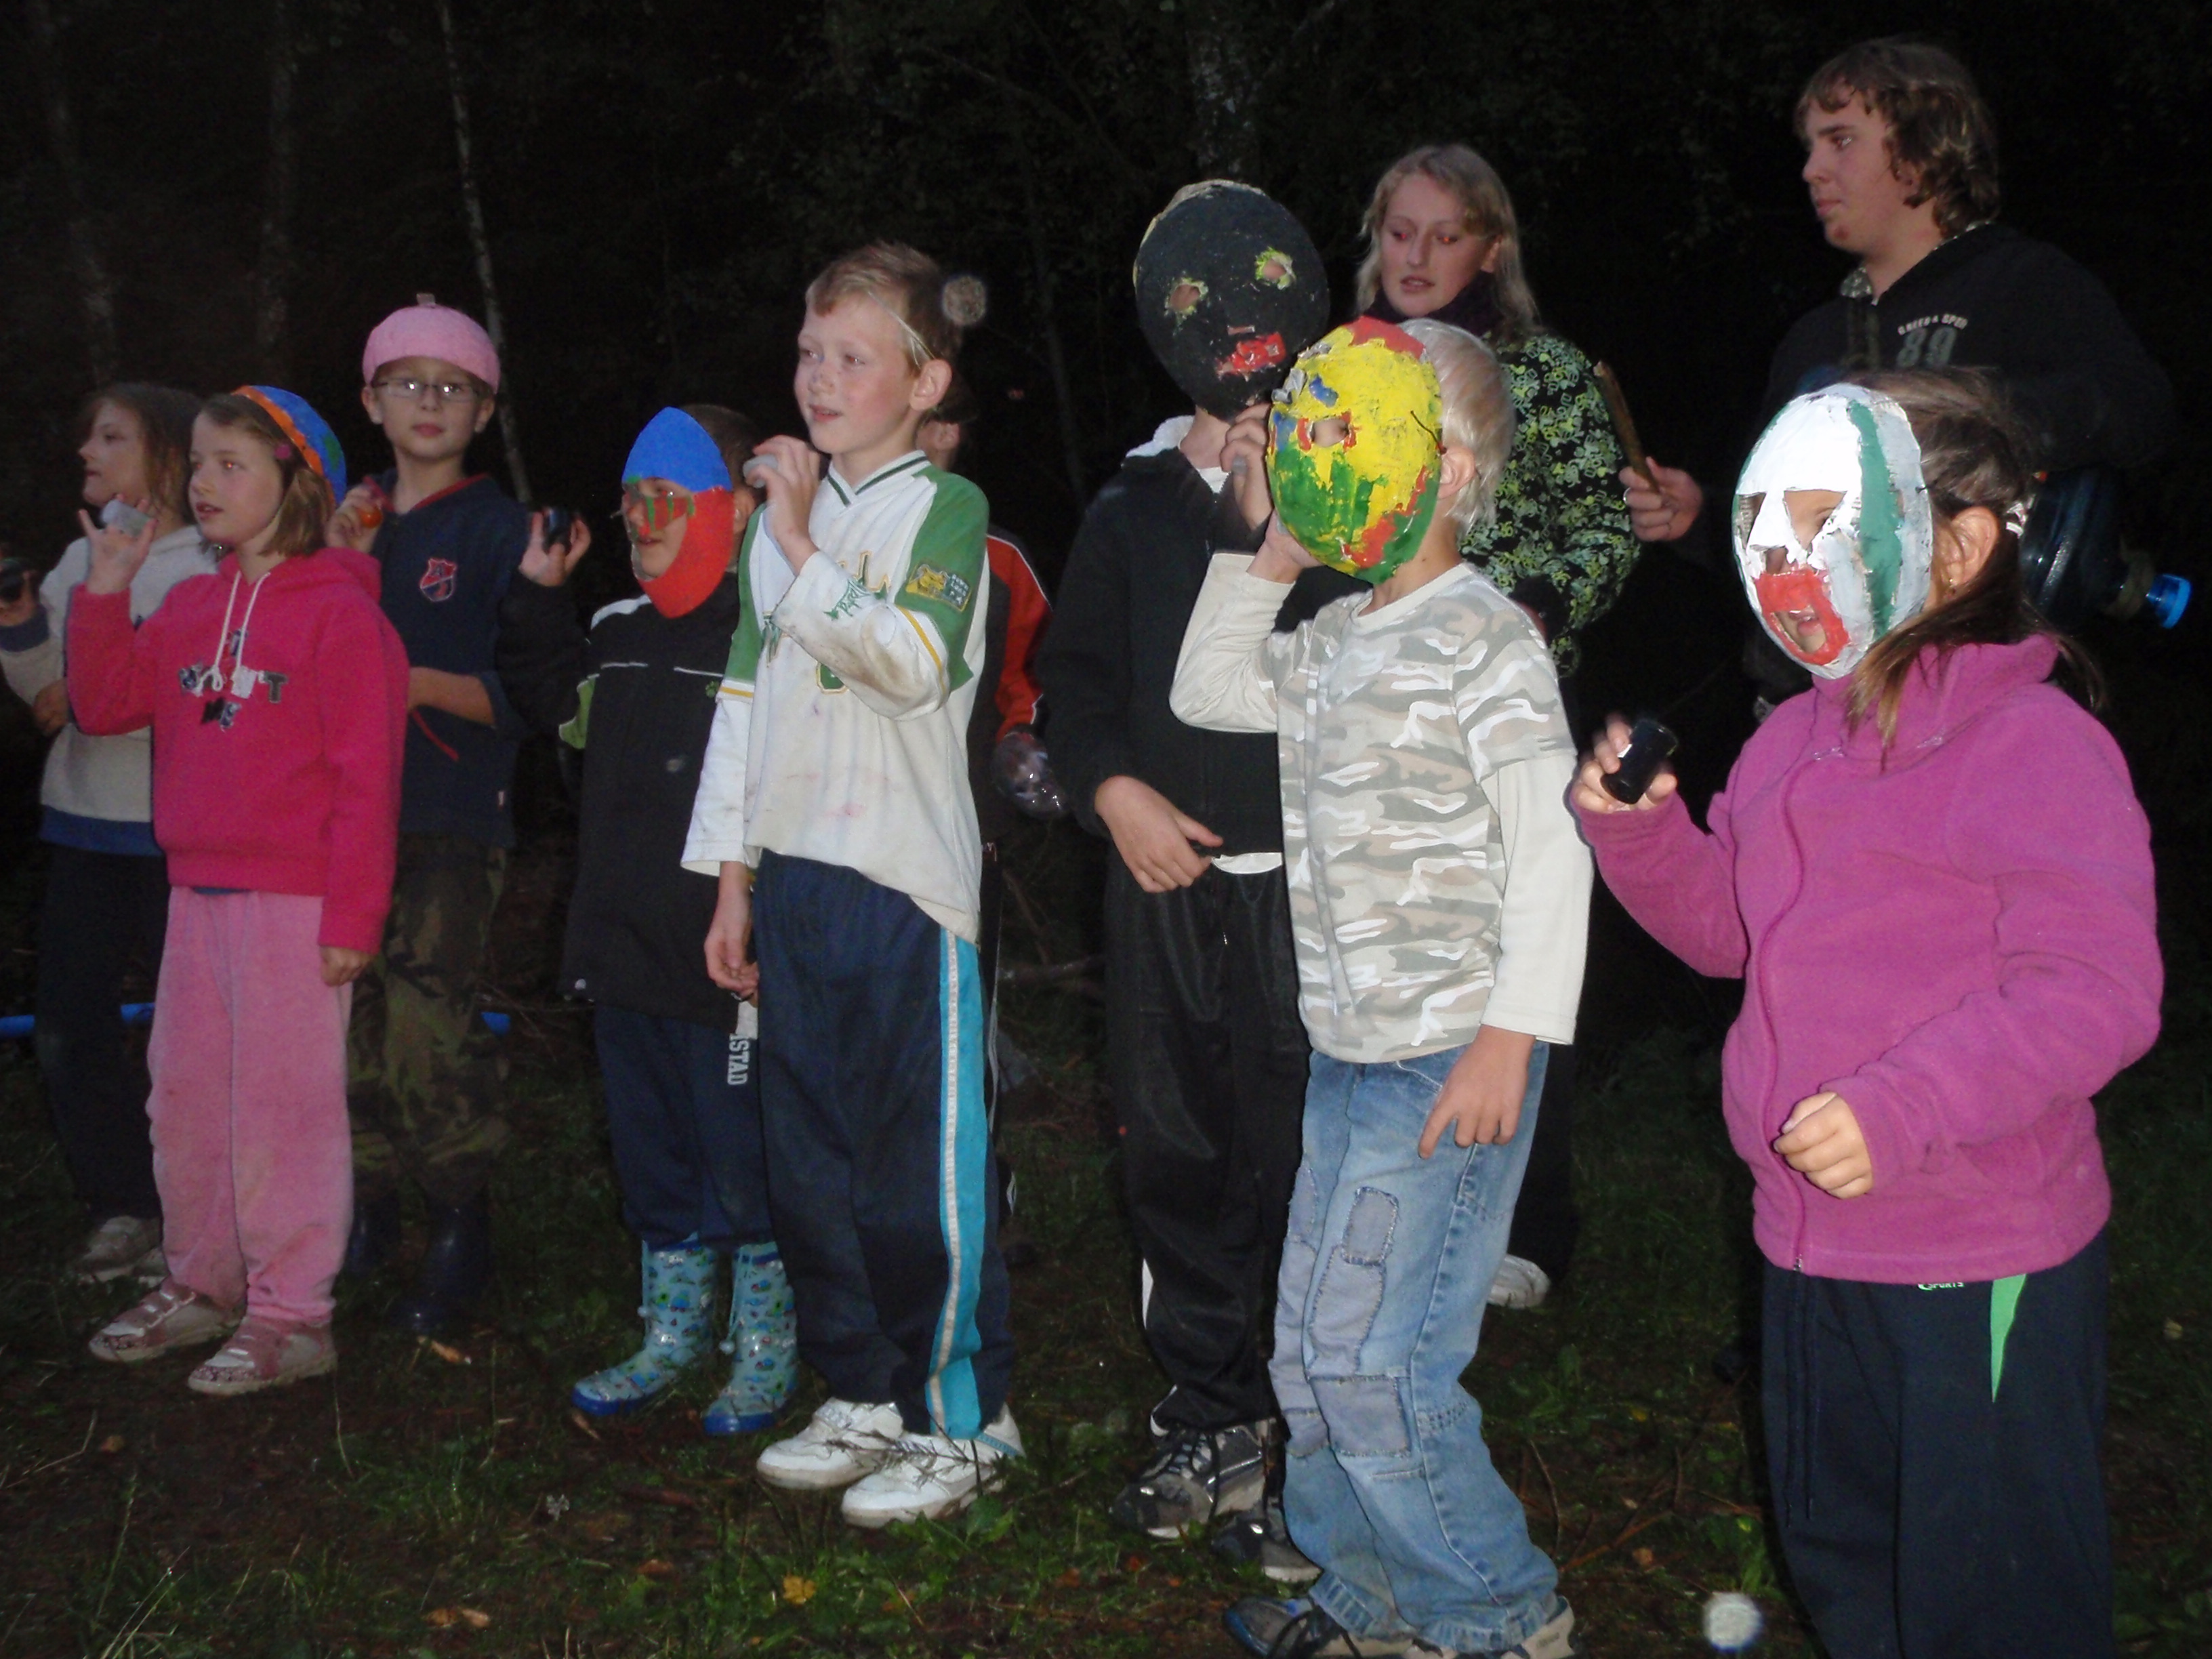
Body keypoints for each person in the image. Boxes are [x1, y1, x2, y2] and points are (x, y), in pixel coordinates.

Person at [1578, 373, 2160, 1658]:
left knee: (1989, 1595)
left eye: (1818, 525)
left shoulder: (2032, 745)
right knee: (1846, 1561)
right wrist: (1640, 838)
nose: (1781, 564)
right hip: (1804, 1244)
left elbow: (2097, 988)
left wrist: (1902, 1108)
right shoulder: (1788, 741)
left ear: (1956, 545)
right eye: (1761, 530)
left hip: (1974, 1251)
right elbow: (1737, 936)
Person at [1174, 316, 1591, 1659]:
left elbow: (1554, 849)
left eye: (1348, 432)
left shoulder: (1488, 640)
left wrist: (1511, 1038)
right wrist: (1272, 553)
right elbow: (1207, 687)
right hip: (1348, 1054)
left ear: (1448, 470)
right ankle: (1371, 1599)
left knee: (1378, 1364)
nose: (1322, 456)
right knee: (1308, 1353)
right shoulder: (1333, 638)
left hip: (1448, 1056)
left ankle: (1499, 1615)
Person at [1035, 180, 1345, 1560]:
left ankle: (1301, 1439)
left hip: (1306, 897)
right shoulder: (1128, 508)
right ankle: (1207, 1414)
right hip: (1162, 894)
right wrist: (1112, 794)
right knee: (1174, 1153)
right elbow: (1076, 685)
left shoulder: (1348, 503)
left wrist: (1280, 512)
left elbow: (1337, 661)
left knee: (1299, 1163)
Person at [683, 244, 1017, 1527]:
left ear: (923, 383)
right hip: (796, 883)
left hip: (900, 887)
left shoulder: (945, 508)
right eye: (809, 354)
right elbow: (743, 712)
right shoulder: (784, 532)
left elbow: (911, 665)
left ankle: (963, 1417)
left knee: (913, 1168)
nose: (819, 379)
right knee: (811, 1163)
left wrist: (795, 539)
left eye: (853, 358)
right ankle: (866, 1389)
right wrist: (733, 882)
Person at [1621, 38, 2174, 710]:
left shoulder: (2022, 283)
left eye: (1840, 141)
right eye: (1810, 148)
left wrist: (1959, 418)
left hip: (1964, 704)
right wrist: (1702, 519)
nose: (1812, 171)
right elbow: (1793, 540)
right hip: (1809, 710)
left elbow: (2143, 410)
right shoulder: (1812, 340)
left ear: (1924, 149)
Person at [70, 388, 408, 1395]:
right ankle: (202, 1282)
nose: (204, 484)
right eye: (201, 463)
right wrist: (104, 589)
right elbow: (104, 705)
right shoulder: (188, 605)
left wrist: (353, 917)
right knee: (186, 1099)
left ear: (296, 485)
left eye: (232, 465)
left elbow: (368, 782)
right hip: (195, 895)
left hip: (297, 906)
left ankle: (293, 1315)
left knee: (282, 1113)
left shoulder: (342, 617)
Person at [1357, 143, 1638, 1311]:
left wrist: (1534, 603)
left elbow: (1605, 531)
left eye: (1444, 233)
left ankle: (1528, 1223)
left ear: (1491, 248)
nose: (1416, 254)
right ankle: (1387, 1204)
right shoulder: (1348, 369)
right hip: (1374, 708)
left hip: (1509, 700)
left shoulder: (1549, 374)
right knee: (1391, 953)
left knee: (1520, 948)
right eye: (1397, 231)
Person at [495, 403, 801, 1435]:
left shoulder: (770, 630)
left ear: (736, 506)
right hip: (623, 948)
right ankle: (671, 1335)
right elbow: (553, 704)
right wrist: (538, 598)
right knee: (652, 1152)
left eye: (667, 498)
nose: (640, 519)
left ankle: (764, 1348)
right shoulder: (618, 632)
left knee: (742, 1159)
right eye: (630, 500)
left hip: (723, 962)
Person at [325, 296, 534, 1334]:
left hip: (447, 810)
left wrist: (408, 684)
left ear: (484, 411)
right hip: (333, 819)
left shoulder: (502, 530)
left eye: (454, 388)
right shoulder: (341, 521)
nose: (429, 402)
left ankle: (461, 1217)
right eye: (406, 383)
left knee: (424, 1020)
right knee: (343, 1019)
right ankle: (366, 1207)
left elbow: (533, 691)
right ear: (371, 400)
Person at [0, 384, 208, 1284]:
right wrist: (20, 627)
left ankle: (199, 1213)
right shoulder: (83, 553)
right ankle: (124, 1205)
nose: (87, 451)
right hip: (84, 826)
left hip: (180, 839)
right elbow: (47, 692)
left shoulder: (215, 559)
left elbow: (167, 692)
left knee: (192, 1037)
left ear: (168, 451)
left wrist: (87, 692)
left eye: (111, 437)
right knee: (67, 1026)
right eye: (89, 436)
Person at [916, 378, 1060, 1267]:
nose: (923, 435)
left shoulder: (998, 557)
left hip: (964, 842)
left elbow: (1035, 686)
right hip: (850, 841)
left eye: (940, 421)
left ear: (955, 434)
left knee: (964, 1028)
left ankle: (979, 1212)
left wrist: (1015, 756)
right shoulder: (833, 544)